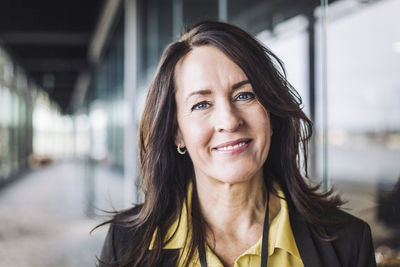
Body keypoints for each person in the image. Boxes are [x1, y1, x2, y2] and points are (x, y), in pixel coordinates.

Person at [98, 21, 376, 267]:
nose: (229, 121)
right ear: (177, 133)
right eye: (202, 104)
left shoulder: (347, 243)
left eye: (245, 95)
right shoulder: (125, 244)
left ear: (271, 113)